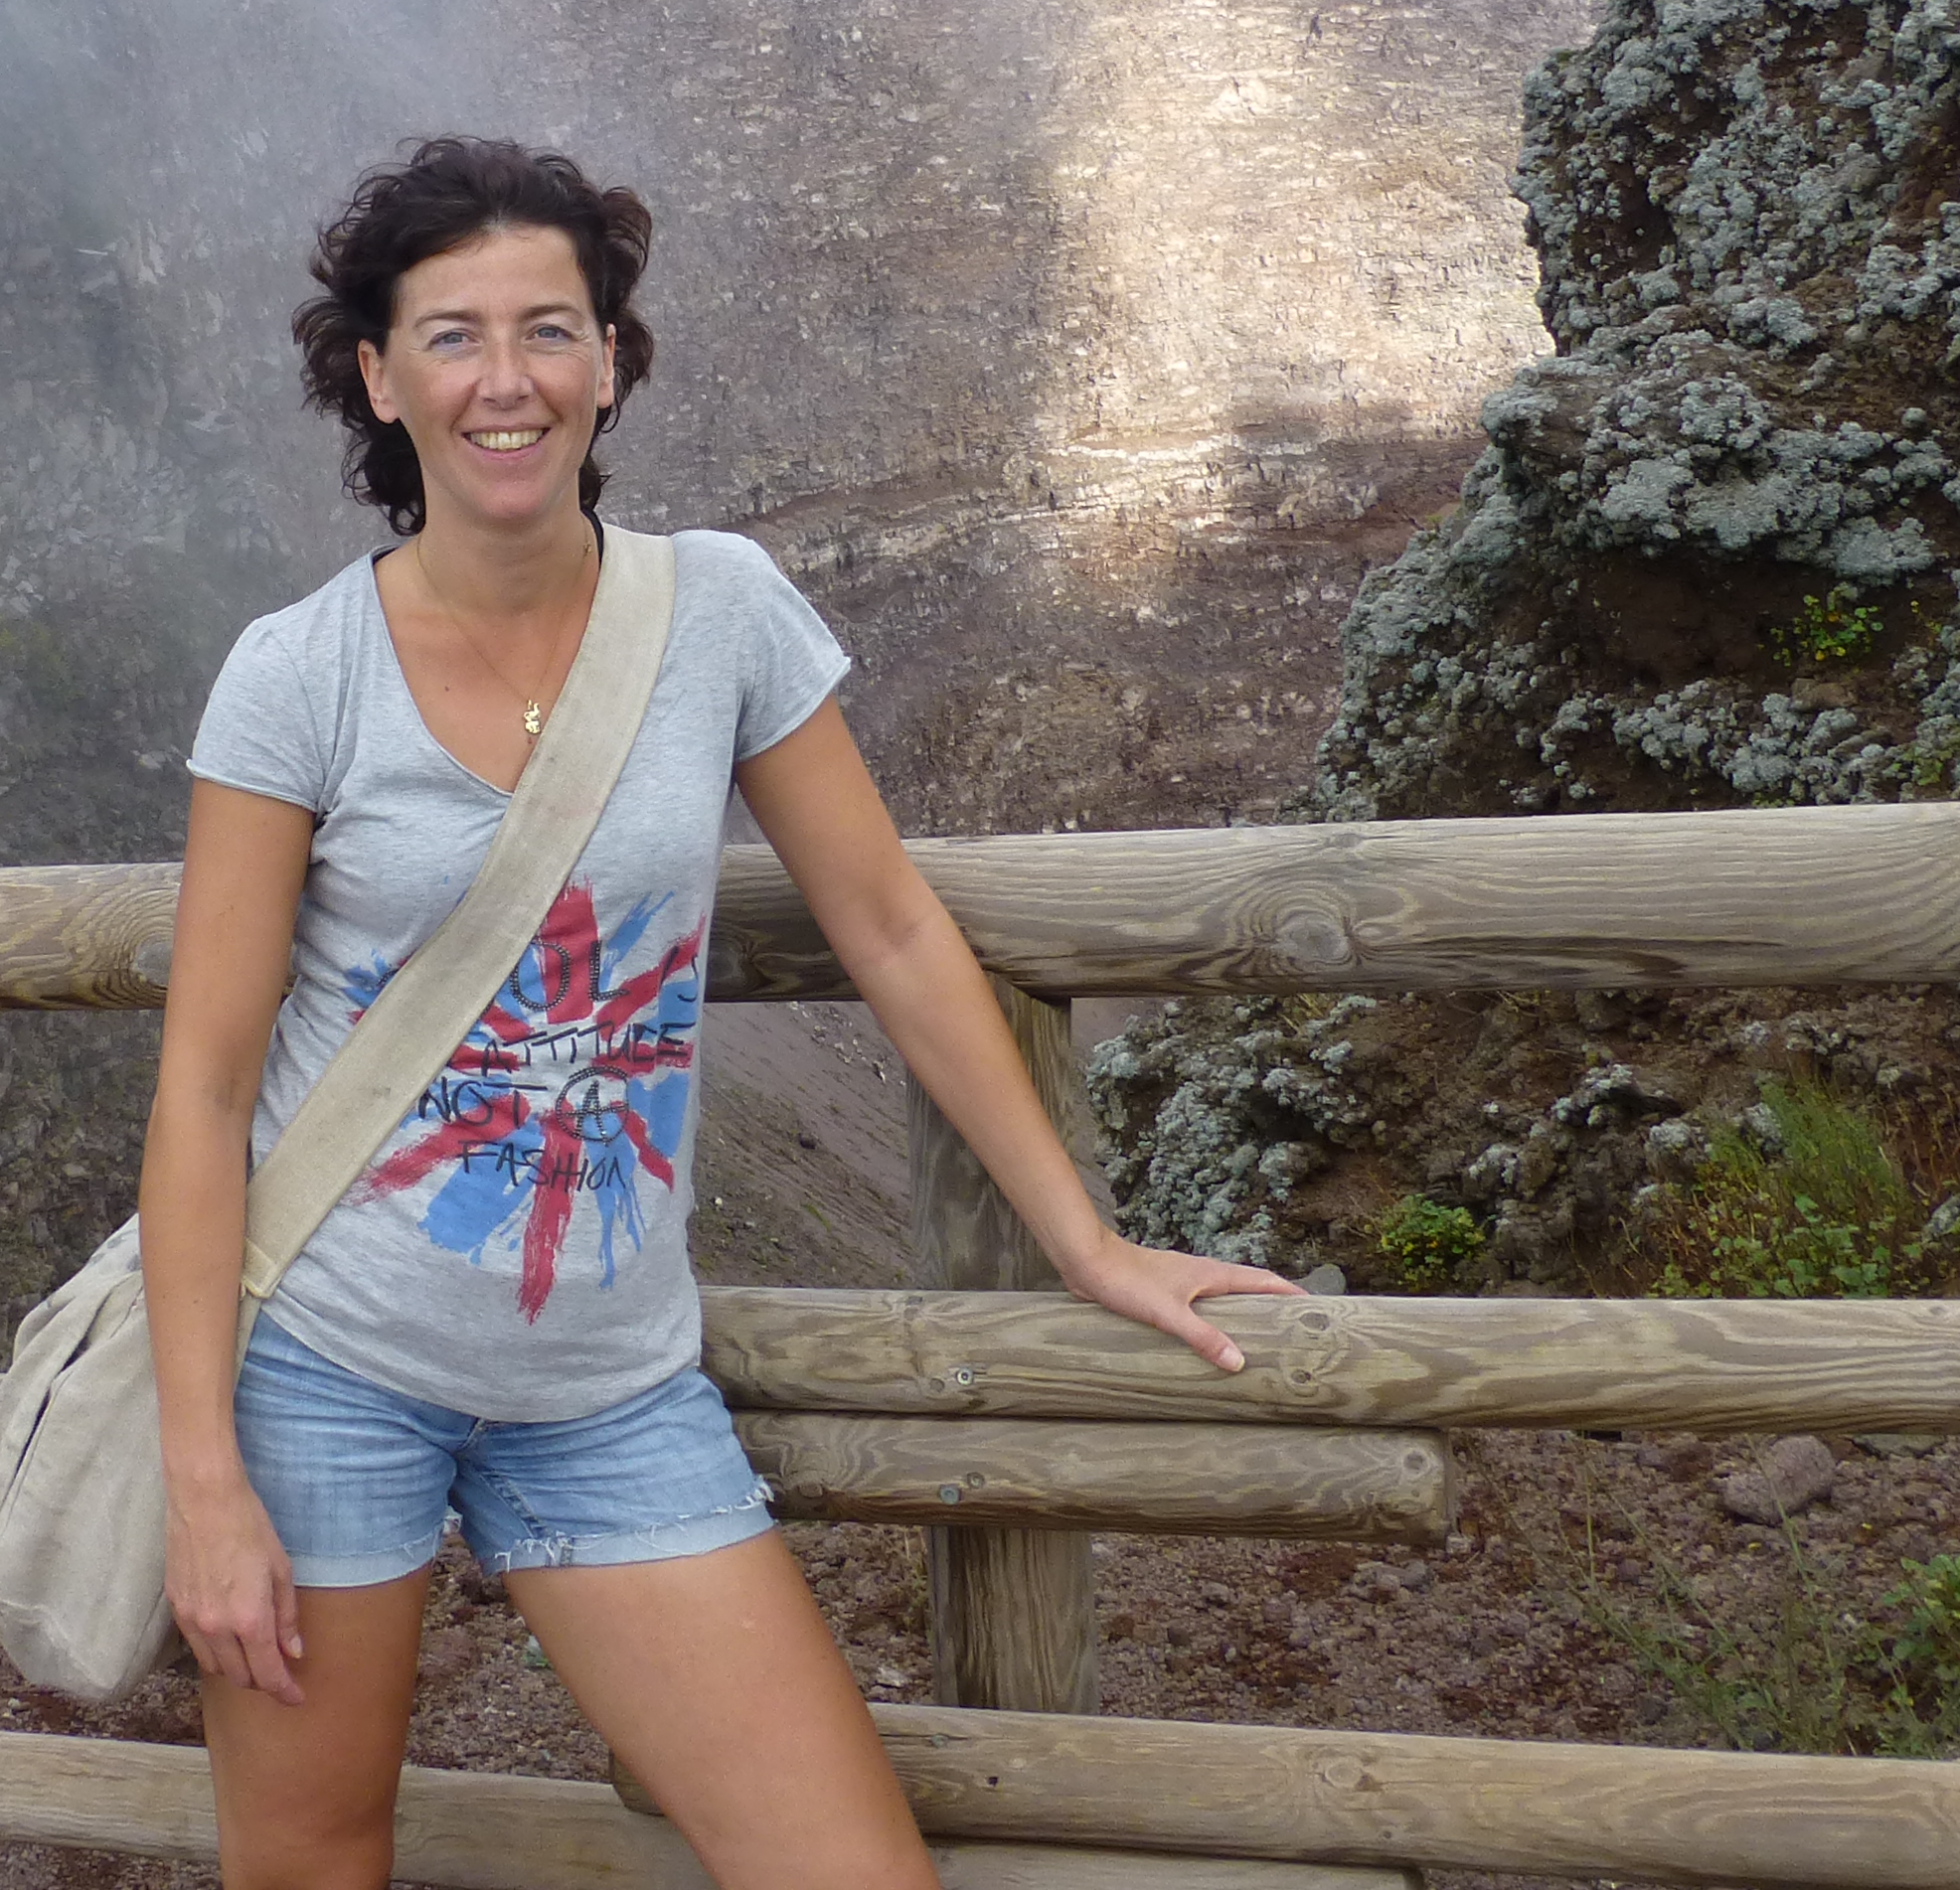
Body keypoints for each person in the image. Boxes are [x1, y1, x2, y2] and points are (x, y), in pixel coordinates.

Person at [143, 140, 1293, 1890]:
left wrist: (1088, 1241)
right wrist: (206, 1477)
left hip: (610, 1391)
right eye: (451, 337)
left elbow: (896, 930)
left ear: (610, 359)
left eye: (552, 328)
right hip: (330, 1370)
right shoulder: (299, 673)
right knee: (311, 1867)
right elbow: (206, 1081)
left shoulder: (721, 610)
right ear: (375, 378)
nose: (506, 379)